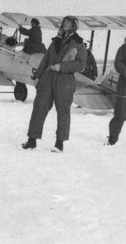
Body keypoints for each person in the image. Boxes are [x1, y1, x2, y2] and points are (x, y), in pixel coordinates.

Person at [21, 16, 87, 152]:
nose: (65, 24)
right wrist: (38, 76)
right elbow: (45, 59)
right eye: (64, 22)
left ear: (74, 26)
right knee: (39, 107)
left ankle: (59, 143)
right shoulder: (56, 41)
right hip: (48, 77)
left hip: (65, 80)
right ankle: (32, 140)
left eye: (68, 23)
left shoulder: (78, 43)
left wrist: (61, 67)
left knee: (63, 110)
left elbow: (81, 64)